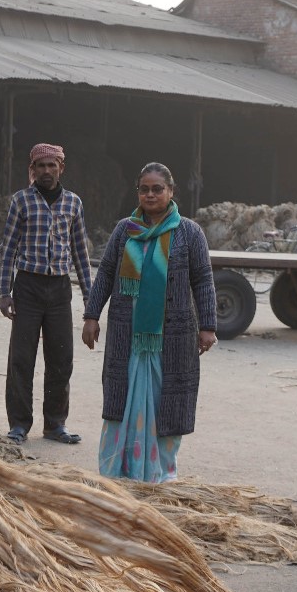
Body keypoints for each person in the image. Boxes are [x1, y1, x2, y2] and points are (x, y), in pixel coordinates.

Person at [82, 162, 216, 481]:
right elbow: (105, 275)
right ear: (138, 193)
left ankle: (159, 472)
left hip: (172, 338)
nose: (151, 194)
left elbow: (203, 280)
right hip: (127, 337)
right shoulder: (124, 230)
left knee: (167, 403)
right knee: (121, 398)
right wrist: (91, 315)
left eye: (158, 188)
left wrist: (208, 325)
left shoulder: (189, 232)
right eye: (145, 189)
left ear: (171, 192)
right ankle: (116, 471)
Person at [0, 142, 92, 446]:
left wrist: (90, 299)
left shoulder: (73, 204)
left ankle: (55, 424)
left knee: (61, 358)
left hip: (59, 290)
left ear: (61, 168)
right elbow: (8, 248)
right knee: (21, 359)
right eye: (41, 166)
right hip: (27, 287)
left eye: (53, 166)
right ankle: (19, 425)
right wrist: (5, 291)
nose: (47, 171)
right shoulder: (21, 201)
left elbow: (80, 252)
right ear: (33, 170)